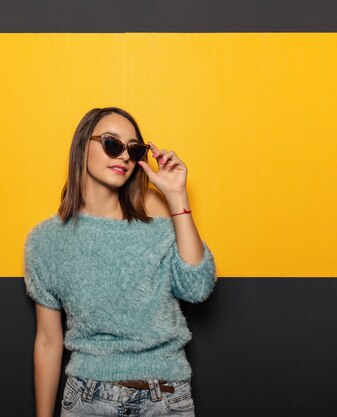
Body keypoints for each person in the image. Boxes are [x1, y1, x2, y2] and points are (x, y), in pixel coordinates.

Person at [24, 106, 217, 416]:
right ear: (82, 146)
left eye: (134, 149)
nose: (124, 156)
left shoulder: (155, 210)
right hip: (87, 399)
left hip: (165, 398)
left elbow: (197, 287)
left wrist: (177, 196)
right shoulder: (46, 241)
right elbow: (48, 342)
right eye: (112, 143)